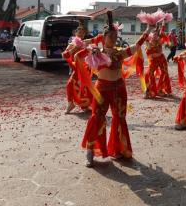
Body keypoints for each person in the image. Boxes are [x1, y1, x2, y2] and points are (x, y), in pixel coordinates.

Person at [76, 11, 149, 167]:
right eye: (111, 36)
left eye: (116, 36)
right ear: (103, 38)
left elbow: (137, 46)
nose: (114, 39)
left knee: (120, 118)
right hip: (102, 90)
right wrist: (89, 49)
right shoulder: (95, 52)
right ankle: (90, 151)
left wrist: (148, 30)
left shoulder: (119, 53)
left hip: (119, 89)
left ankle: (119, 149)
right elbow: (77, 56)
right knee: (97, 118)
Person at [62, 22, 103, 114]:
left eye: (83, 33)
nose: (81, 34)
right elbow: (64, 55)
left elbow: (93, 47)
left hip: (85, 69)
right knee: (71, 85)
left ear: (84, 34)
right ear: (75, 33)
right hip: (76, 69)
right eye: (79, 32)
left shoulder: (85, 43)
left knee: (84, 88)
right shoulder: (71, 44)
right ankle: (72, 103)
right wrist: (74, 49)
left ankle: (85, 105)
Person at [144, 22, 172, 98]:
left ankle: (160, 89)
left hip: (162, 59)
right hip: (153, 61)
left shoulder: (160, 41)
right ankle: (150, 91)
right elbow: (145, 37)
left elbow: (162, 32)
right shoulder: (148, 43)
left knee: (164, 73)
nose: (156, 36)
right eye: (154, 34)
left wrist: (163, 23)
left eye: (157, 34)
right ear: (151, 35)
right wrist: (148, 27)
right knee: (148, 74)